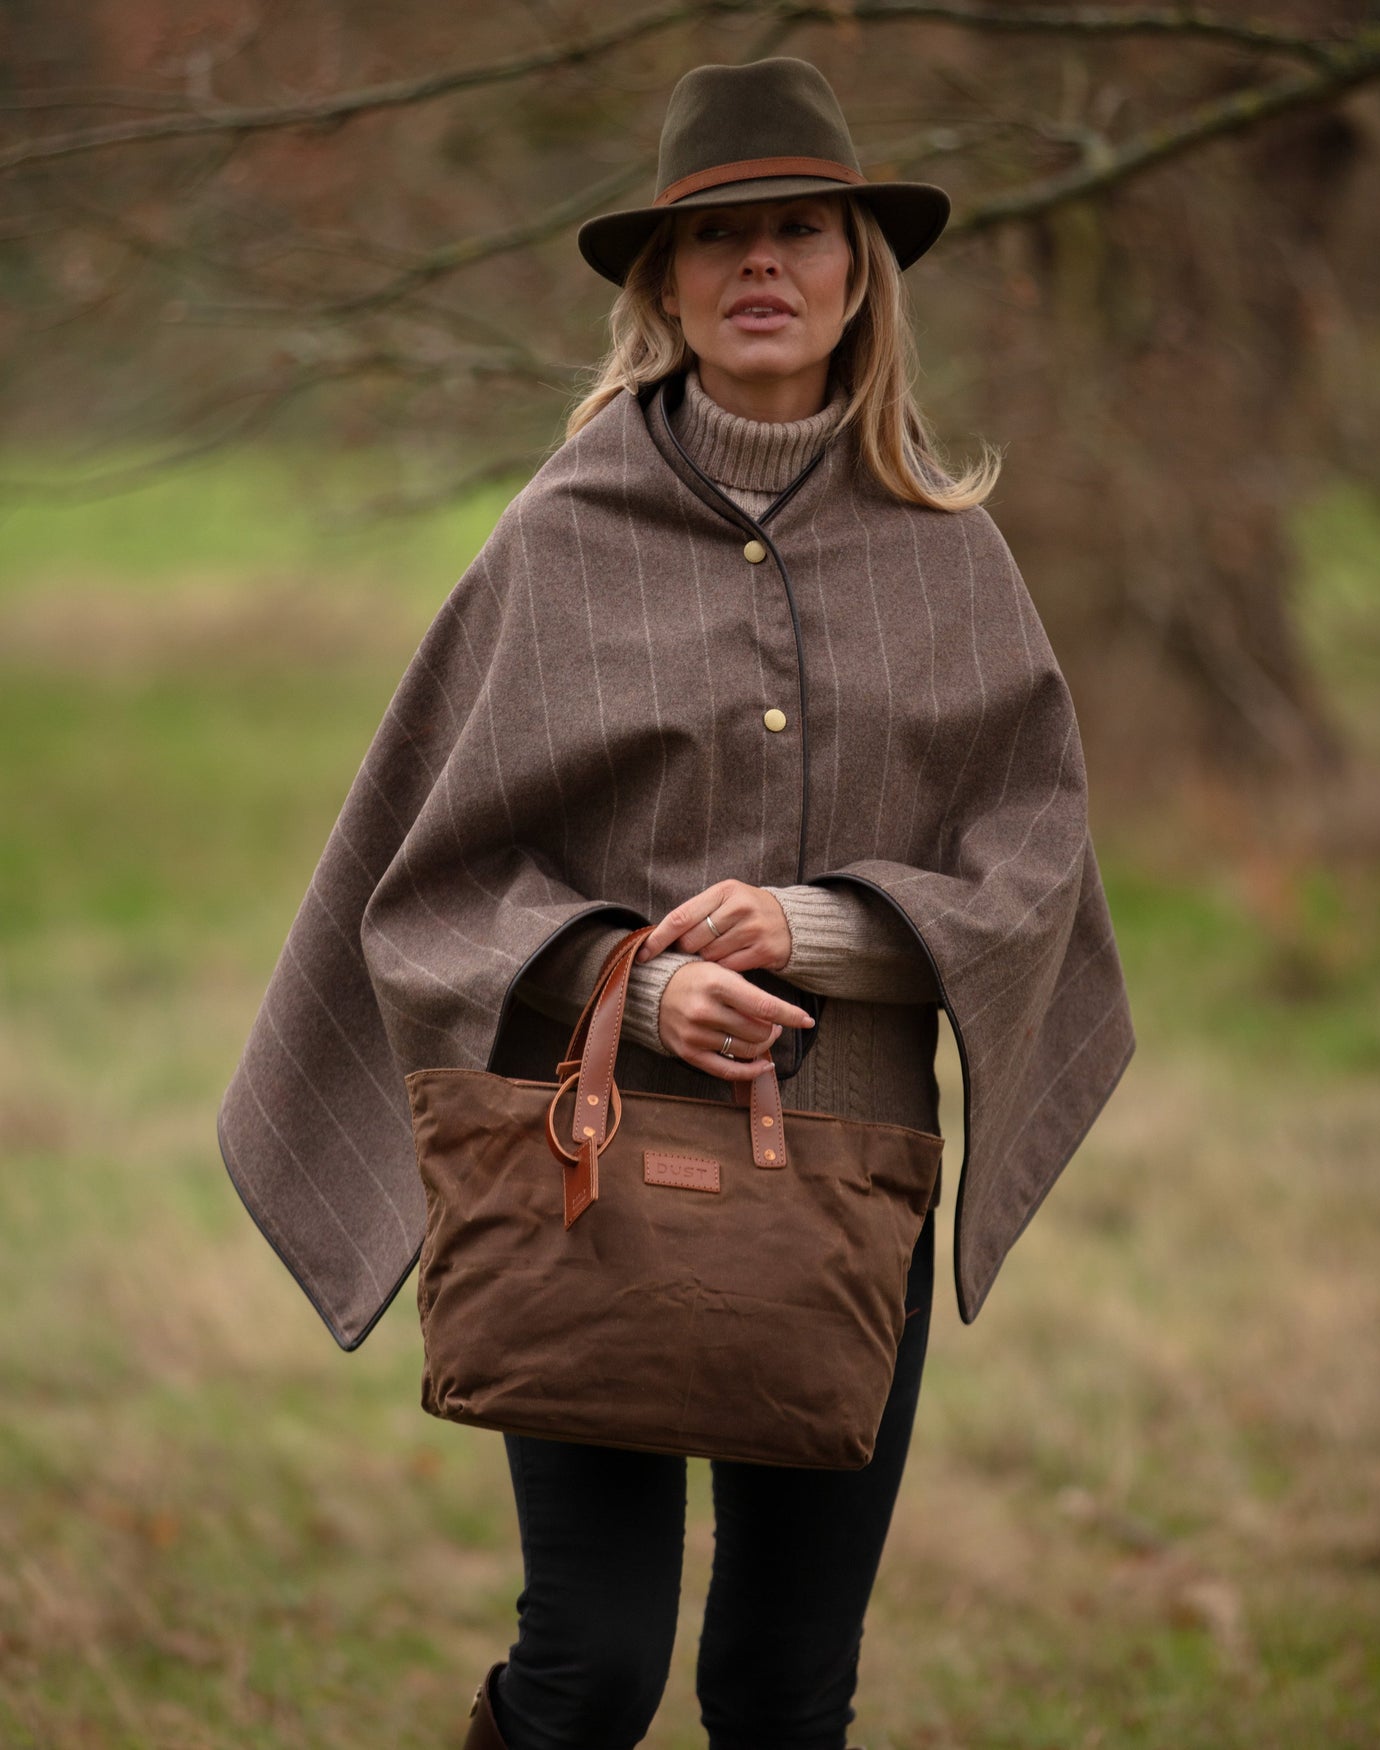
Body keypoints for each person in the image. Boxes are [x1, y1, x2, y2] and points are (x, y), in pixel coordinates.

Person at [215, 53, 1135, 1750]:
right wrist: (636, 987)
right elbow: (437, 889)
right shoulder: (560, 538)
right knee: (592, 1668)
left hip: (853, 1174)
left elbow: (1034, 869)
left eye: (802, 228)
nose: (763, 264)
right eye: (720, 237)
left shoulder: (951, 551)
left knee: (784, 1688)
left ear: (861, 273)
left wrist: (817, 930)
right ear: (663, 280)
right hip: (587, 1167)